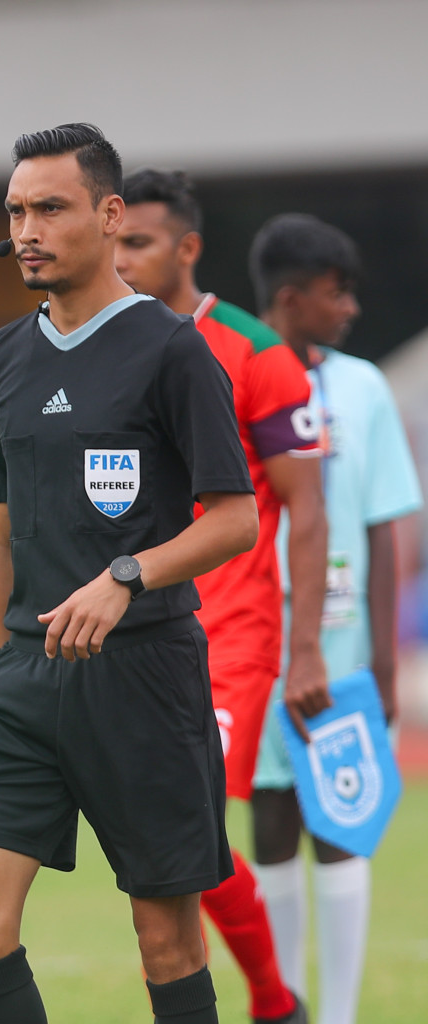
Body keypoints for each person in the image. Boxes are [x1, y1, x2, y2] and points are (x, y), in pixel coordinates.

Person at [0, 123, 259, 1024]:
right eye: (16, 211)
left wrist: (126, 575)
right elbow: (1, 534)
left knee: (166, 942)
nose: (28, 230)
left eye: (51, 207)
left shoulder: (172, 350)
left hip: (147, 680)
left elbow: (235, 520)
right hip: (24, 684)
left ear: (109, 213)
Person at [117, 169, 324, 1024]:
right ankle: (275, 1004)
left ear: (187, 247)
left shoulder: (254, 352)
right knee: (171, 839)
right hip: (135, 627)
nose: (122, 259)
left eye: (139, 242)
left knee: (189, 822)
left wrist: (305, 646)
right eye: (116, 240)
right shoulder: (98, 345)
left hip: (234, 631)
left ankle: (274, 1006)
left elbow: (306, 509)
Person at [247, 214, 422, 1024]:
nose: (350, 306)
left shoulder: (362, 387)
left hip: (344, 651)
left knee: (342, 817)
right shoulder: (230, 375)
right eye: (336, 291)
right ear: (290, 298)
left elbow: (389, 523)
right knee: (272, 817)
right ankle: (287, 1004)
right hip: (256, 640)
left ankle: (342, 1015)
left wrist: (385, 664)